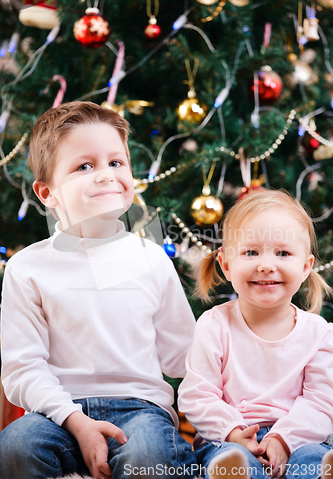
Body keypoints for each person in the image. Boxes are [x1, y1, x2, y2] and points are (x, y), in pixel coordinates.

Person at [0, 101, 197, 479]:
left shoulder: (152, 259)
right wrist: (75, 420)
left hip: (141, 410)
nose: (106, 175)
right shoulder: (27, 269)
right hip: (57, 412)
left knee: (148, 456)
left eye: (116, 162)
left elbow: (187, 361)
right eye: (84, 166)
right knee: (14, 447)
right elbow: (23, 369)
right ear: (47, 193)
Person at [178, 189, 333, 479]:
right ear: (226, 264)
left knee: (314, 458)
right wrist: (235, 432)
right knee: (229, 461)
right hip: (229, 439)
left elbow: (322, 401)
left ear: (305, 267)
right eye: (251, 252)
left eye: (283, 253)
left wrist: (282, 439)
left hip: (299, 439)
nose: (265, 264)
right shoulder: (214, 325)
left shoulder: (320, 335)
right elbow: (198, 395)